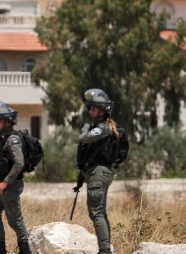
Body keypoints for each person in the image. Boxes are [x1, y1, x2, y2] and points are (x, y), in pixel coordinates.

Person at [75, 88, 119, 254]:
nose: (90, 111)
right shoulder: (103, 127)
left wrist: (84, 128)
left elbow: (84, 138)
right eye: (90, 108)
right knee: (100, 212)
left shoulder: (102, 128)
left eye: (94, 109)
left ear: (102, 111)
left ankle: (104, 250)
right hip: (98, 172)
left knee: (96, 213)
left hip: (99, 173)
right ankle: (106, 248)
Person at [0, 101, 30, 254]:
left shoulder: (13, 139)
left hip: (10, 185)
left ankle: (25, 251)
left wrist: (5, 182)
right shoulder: (3, 139)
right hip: (1, 184)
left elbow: (19, 163)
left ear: (8, 121)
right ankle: (0, 250)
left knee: (15, 220)